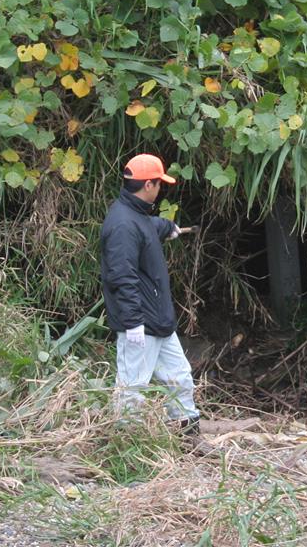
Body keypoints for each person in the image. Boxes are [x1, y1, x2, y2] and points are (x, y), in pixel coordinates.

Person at [99, 153, 200, 431]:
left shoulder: (135, 215)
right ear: (148, 186)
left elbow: (147, 227)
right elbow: (121, 276)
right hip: (140, 323)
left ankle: (187, 431)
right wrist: (132, 323)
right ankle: (125, 440)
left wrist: (168, 227)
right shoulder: (122, 225)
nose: (160, 189)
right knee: (132, 386)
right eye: (159, 184)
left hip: (158, 320)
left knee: (179, 378)